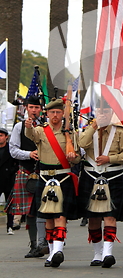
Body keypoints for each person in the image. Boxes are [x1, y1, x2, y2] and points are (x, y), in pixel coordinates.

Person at [25, 98, 81, 268]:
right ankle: (51, 253)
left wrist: (73, 158)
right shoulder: (41, 131)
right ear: (47, 114)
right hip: (44, 177)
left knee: (60, 215)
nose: (55, 115)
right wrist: (27, 126)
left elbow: (78, 157)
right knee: (48, 217)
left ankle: (58, 250)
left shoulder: (71, 133)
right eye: (52, 112)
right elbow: (31, 135)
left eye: (58, 112)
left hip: (63, 176)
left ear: (63, 114)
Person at [78, 103, 123, 268]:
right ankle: (97, 253)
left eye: (106, 111)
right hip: (90, 175)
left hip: (113, 175)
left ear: (111, 113)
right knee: (93, 217)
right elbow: (81, 144)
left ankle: (108, 253)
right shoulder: (88, 130)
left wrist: (110, 159)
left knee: (110, 216)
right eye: (100, 110)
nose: (103, 114)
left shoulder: (119, 132)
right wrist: (94, 126)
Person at [7, 95, 47, 258]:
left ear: (40, 109)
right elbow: (13, 150)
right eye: (31, 107)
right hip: (27, 172)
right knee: (30, 211)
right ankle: (34, 245)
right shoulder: (19, 127)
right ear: (26, 108)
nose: (34, 110)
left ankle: (48, 242)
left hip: (46, 172)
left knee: (47, 209)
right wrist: (29, 154)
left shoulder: (47, 125)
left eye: (37, 108)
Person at [0, 127, 17, 234]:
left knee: (9, 203)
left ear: (6, 137)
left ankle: (9, 226)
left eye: (1, 135)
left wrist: (11, 171)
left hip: (8, 179)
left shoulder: (10, 149)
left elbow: (16, 163)